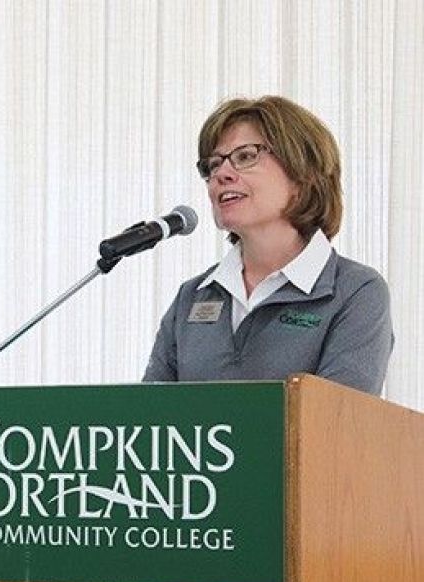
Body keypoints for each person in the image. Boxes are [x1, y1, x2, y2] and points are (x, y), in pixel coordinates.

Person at [143, 96, 393, 395]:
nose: (221, 175)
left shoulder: (355, 292)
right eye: (213, 164)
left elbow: (334, 427)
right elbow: (151, 426)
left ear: (303, 175)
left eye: (246, 156)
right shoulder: (192, 297)